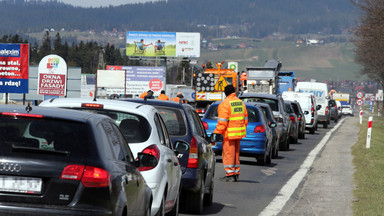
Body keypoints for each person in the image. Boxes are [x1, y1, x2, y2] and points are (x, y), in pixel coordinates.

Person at [213, 85, 248, 182]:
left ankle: (230, 174)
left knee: (228, 154)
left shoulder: (225, 104)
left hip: (229, 134)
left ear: (225, 93)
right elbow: (245, 119)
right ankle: (236, 173)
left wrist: (216, 133)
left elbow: (222, 122)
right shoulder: (241, 103)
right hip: (239, 133)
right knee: (236, 154)